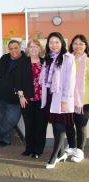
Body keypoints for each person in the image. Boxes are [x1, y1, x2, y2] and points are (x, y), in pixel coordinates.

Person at [40, 32, 75, 169]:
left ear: (62, 43)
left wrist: (65, 100)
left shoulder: (68, 58)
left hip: (62, 98)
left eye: (57, 42)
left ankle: (53, 156)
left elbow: (70, 81)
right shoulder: (47, 58)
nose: (54, 45)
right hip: (50, 97)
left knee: (60, 127)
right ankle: (61, 153)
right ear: (48, 45)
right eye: (51, 42)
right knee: (55, 126)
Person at [15, 39, 46, 159]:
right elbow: (18, 81)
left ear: (40, 49)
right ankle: (29, 148)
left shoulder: (45, 62)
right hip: (27, 99)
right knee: (29, 125)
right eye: (31, 47)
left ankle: (38, 150)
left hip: (42, 100)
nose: (34, 49)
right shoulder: (23, 62)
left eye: (36, 47)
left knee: (40, 126)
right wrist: (21, 97)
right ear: (28, 49)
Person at [0, 40, 25, 147]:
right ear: (8, 49)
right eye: (11, 48)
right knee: (0, 118)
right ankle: (4, 139)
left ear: (20, 48)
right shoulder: (4, 58)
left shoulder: (25, 61)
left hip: (14, 97)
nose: (13, 50)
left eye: (16, 48)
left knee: (12, 120)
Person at [65, 34, 89, 163]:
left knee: (80, 126)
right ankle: (72, 146)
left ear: (85, 46)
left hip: (84, 100)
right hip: (68, 99)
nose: (78, 46)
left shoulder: (88, 61)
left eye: (81, 43)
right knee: (69, 124)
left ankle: (80, 150)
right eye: (75, 43)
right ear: (71, 45)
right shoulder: (67, 59)